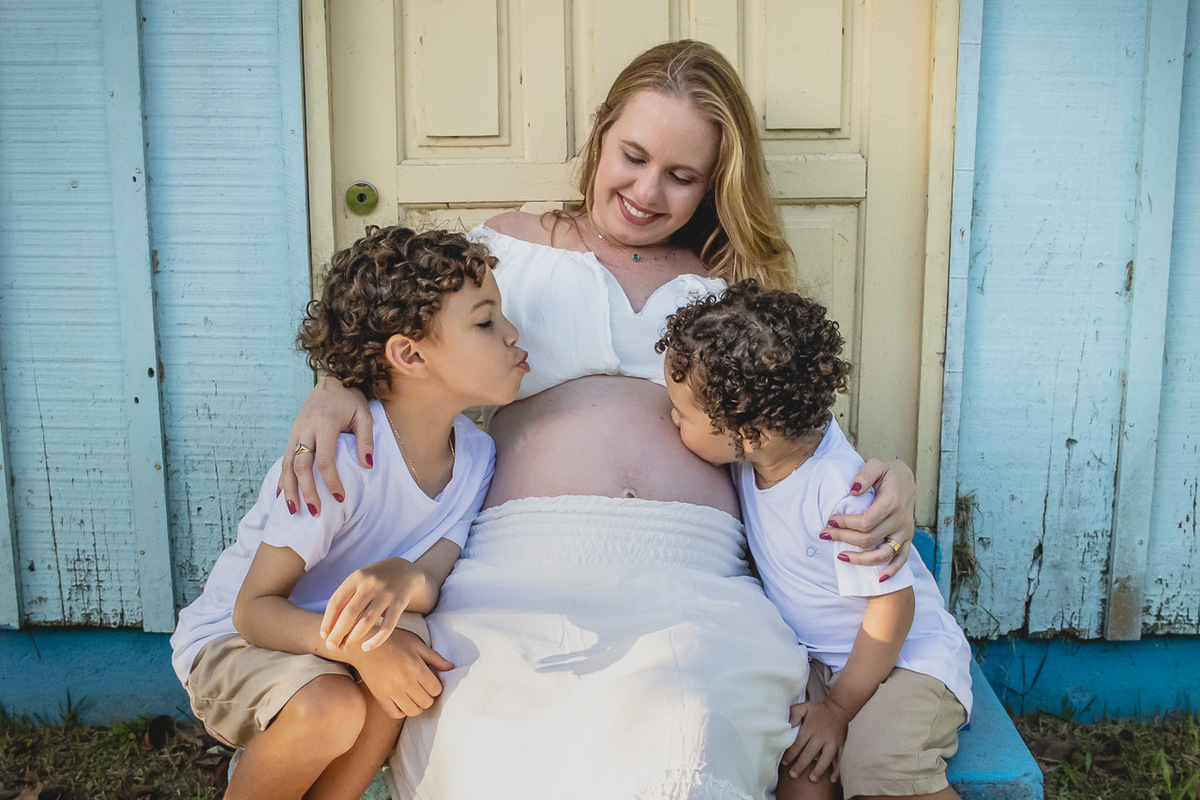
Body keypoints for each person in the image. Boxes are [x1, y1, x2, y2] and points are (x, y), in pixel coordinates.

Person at [280, 41, 920, 799]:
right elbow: (388, 324)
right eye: (633, 155)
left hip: (696, 571)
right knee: (494, 717)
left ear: (716, 182)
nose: (648, 191)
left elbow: (796, 425)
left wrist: (894, 478)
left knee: (689, 722)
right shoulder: (505, 248)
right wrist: (332, 384)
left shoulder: (733, 280)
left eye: (682, 177)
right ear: (601, 132)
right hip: (519, 559)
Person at [169, 227, 529, 800]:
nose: (513, 333)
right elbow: (252, 611)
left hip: (336, 643)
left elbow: (432, 578)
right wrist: (362, 648)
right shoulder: (341, 462)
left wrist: (403, 577)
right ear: (409, 354)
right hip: (236, 643)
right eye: (485, 322)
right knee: (332, 704)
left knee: (409, 646)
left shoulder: (477, 455)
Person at [656, 281, 972, 800]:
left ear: (749, 433)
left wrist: (841, 709)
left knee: (880, 769)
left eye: (684, 415)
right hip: (827, 665)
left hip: (906, 663)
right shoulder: (770, 449)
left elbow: (893, 607)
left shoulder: (839, 497)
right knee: (800, 777)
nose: (672, 419)